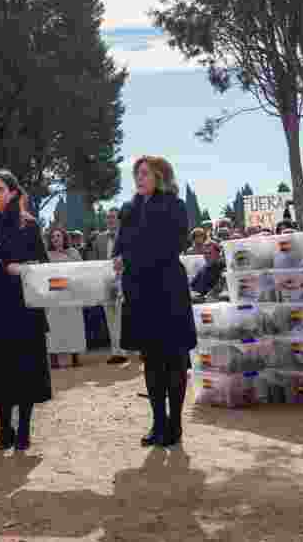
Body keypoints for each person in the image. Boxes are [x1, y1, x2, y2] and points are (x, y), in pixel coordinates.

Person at [114, 156, 197, 448]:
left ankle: (175, 425)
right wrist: (118, 258)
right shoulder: (128, 208)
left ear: (160, 176)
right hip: (139, 292)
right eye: (137, 173)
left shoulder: (174, 205)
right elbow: (119, 245)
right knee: (150, 362)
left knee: (174, 360)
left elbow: (175, 244)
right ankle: (157, 423)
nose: (139, 178)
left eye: (145, 173)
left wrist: (135, 255)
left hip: (168, 290)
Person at [0, 169, 52, 452]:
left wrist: (27, 267)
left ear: (14, 192)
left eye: (0, 189)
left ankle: (25, 429)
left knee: (26, 366)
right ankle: (5, 428)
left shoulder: (29, 225)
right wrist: (6, 267)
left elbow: (42, 261)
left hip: (25, 303)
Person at [44, 227, 86, 369]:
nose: (56, 239)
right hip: (53, 296)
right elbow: (44, 276)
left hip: (71, 295)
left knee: (74, 325)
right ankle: (54, 358)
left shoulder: (74, 252)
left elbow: (80, 270)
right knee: (54, 326)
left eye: (58, 236)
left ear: (64, 238)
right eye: (53, 237)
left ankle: (75, 356)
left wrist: (68, 283)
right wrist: (62, 283)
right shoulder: (46, 255)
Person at [91, 209, 127, 365]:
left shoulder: (127, 236)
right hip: (106, 282)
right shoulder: (99, 238)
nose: (110, 220)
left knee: (123, 316)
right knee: (110, 317)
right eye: (108, 218)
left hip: (124, 281)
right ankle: (116, 351)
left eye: (113, 217)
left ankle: (127, 349)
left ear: (119, 219)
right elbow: (96, 262)